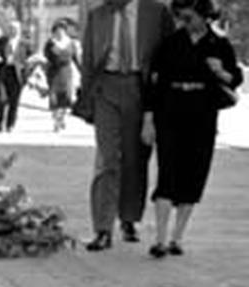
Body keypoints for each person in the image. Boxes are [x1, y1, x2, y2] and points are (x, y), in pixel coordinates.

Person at [144, 0, 243, 258]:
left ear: (203, 15)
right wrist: (149, 118)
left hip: (202, 114)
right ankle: (160, 239)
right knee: (168, 172)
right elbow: (154, 85)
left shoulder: (219, 44)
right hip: (171, 111)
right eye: (180, 18)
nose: (183, 23)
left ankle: (178, 237)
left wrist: (220, 72)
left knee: (194, 172)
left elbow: (236, 79)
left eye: (188, 17)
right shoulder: (171, 43)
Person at [79, 0, 174, 251]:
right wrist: (86, 100)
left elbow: (169, 54)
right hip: (105, 88)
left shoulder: (156, 12)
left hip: (139, 89)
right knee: (107, 158)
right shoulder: (98, 14)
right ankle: (102, 227)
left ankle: (129, 218)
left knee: (135, 157)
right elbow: (88, 58)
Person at [0, 21, 32, 133]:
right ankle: (0, 122)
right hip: (3, 72)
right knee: (2, 99)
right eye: (11, 28)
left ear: (19, 30)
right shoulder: (2, 41)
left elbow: (31, 60)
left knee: (14, 101)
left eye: (16, 28)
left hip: (17, 74)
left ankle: (10, 124)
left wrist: (26, 72)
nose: (13, 30)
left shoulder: (25, 43)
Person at [43, 20, 79, 132]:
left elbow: (75, 58)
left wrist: (82, 70)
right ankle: (56, 119)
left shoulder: (71, 43)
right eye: (57, 31)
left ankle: (61, 118)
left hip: (66, 72)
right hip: (54, 72)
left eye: (62, 31)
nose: (60, 33)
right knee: (54, 98)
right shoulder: (50, 44)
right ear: (54, 32)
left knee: (66, 97)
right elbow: (46, 56)